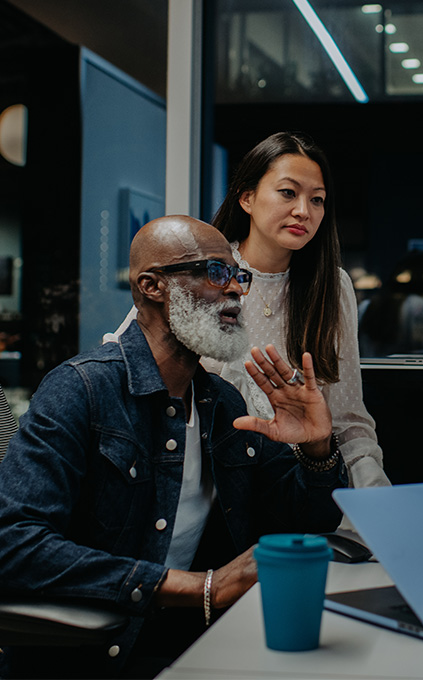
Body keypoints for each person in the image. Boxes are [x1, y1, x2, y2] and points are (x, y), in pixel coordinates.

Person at [0, 216, 347, 679]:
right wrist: (199, 587)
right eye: (215, 272)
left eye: (238, 276)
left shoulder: (223, 403)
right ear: (152, 286)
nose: (236, 291)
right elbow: (13, 544)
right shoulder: (80, 390)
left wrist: (317, 445)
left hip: (198, 647)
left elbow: (310, 520)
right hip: (97, 657)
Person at [110, 132, 390, 492]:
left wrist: (376, 500)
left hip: (295, 487)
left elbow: (349, 421)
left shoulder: (331, 287)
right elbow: (124, 362)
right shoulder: (203, 272)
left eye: (317, 200)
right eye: (288, 193)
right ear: (247, 197)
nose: (304, 211)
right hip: (200, 482)